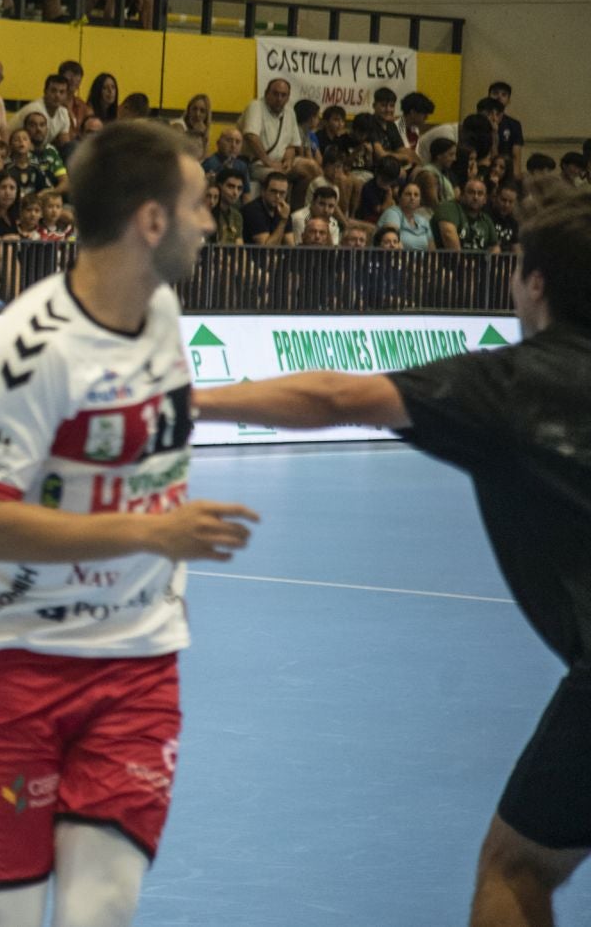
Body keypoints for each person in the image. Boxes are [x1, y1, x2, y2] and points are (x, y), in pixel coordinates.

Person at [0, 121, 247, 927]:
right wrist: (150, 533)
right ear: (152, 220)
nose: (211, 222)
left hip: (138, 663)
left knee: (101, 911)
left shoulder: (162, 313)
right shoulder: (27, 350)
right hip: (14, 666)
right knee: (7, 921)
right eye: (199, 205)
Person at [196, 183, 591, 927]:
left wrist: (185, 401)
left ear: (536, 285)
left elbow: (335, 397)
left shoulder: (510, 384)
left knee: (515, 869)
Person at [239, 77, 300, 182]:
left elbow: (291, 145)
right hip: (257, 164)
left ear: (288, 97)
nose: (279, 99)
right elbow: (251, 136)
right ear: (266, 93)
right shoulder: (256, 106)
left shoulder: (290, 113)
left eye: (283, 95)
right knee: (278, 177)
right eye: (275, 94)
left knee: (310, 168)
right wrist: (268, 162)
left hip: (280, 163)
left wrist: (288, 161)